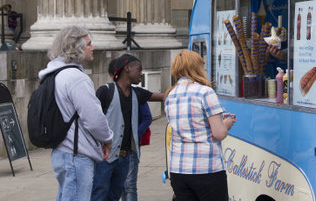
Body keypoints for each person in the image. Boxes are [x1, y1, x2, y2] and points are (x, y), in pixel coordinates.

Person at [38, 26, 113, 201]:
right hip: (76, 155)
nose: (93, 47)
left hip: (63, 152)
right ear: (76, 48)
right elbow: (94, 119)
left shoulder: (54, 74)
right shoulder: (75, 77)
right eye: (89, 44)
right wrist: (107, 139)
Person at [165, 50, 237, 201]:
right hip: (207, 168)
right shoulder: (205, 92)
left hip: (178, 169)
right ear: (196, 68)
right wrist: (226, 124)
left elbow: (188, 124)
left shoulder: (170, 95)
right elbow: (219, 133)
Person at [91, 54, 164, 201]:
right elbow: (93, 121)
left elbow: (163, 96)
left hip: (125, 158)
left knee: (115, 195)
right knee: (99, 194)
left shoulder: (137, 93)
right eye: (139, 69)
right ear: (126, 69)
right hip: (105, 157)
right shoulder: (106, 91)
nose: (141, 74)